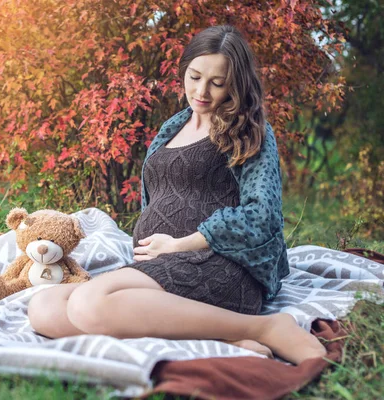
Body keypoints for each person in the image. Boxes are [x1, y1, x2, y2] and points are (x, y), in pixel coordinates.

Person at [27, 25, 326, 365]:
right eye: (195, 77)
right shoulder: (174, 125)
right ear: (184, 70)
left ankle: (264, 328)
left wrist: (179, 244)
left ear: (236, 84)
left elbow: (262, 215)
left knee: (87, 305)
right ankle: (227, 336)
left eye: (218, 82)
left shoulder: (248, 131)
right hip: (162, 267)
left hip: (218, 266)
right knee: (44, 309)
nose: (202, 91)